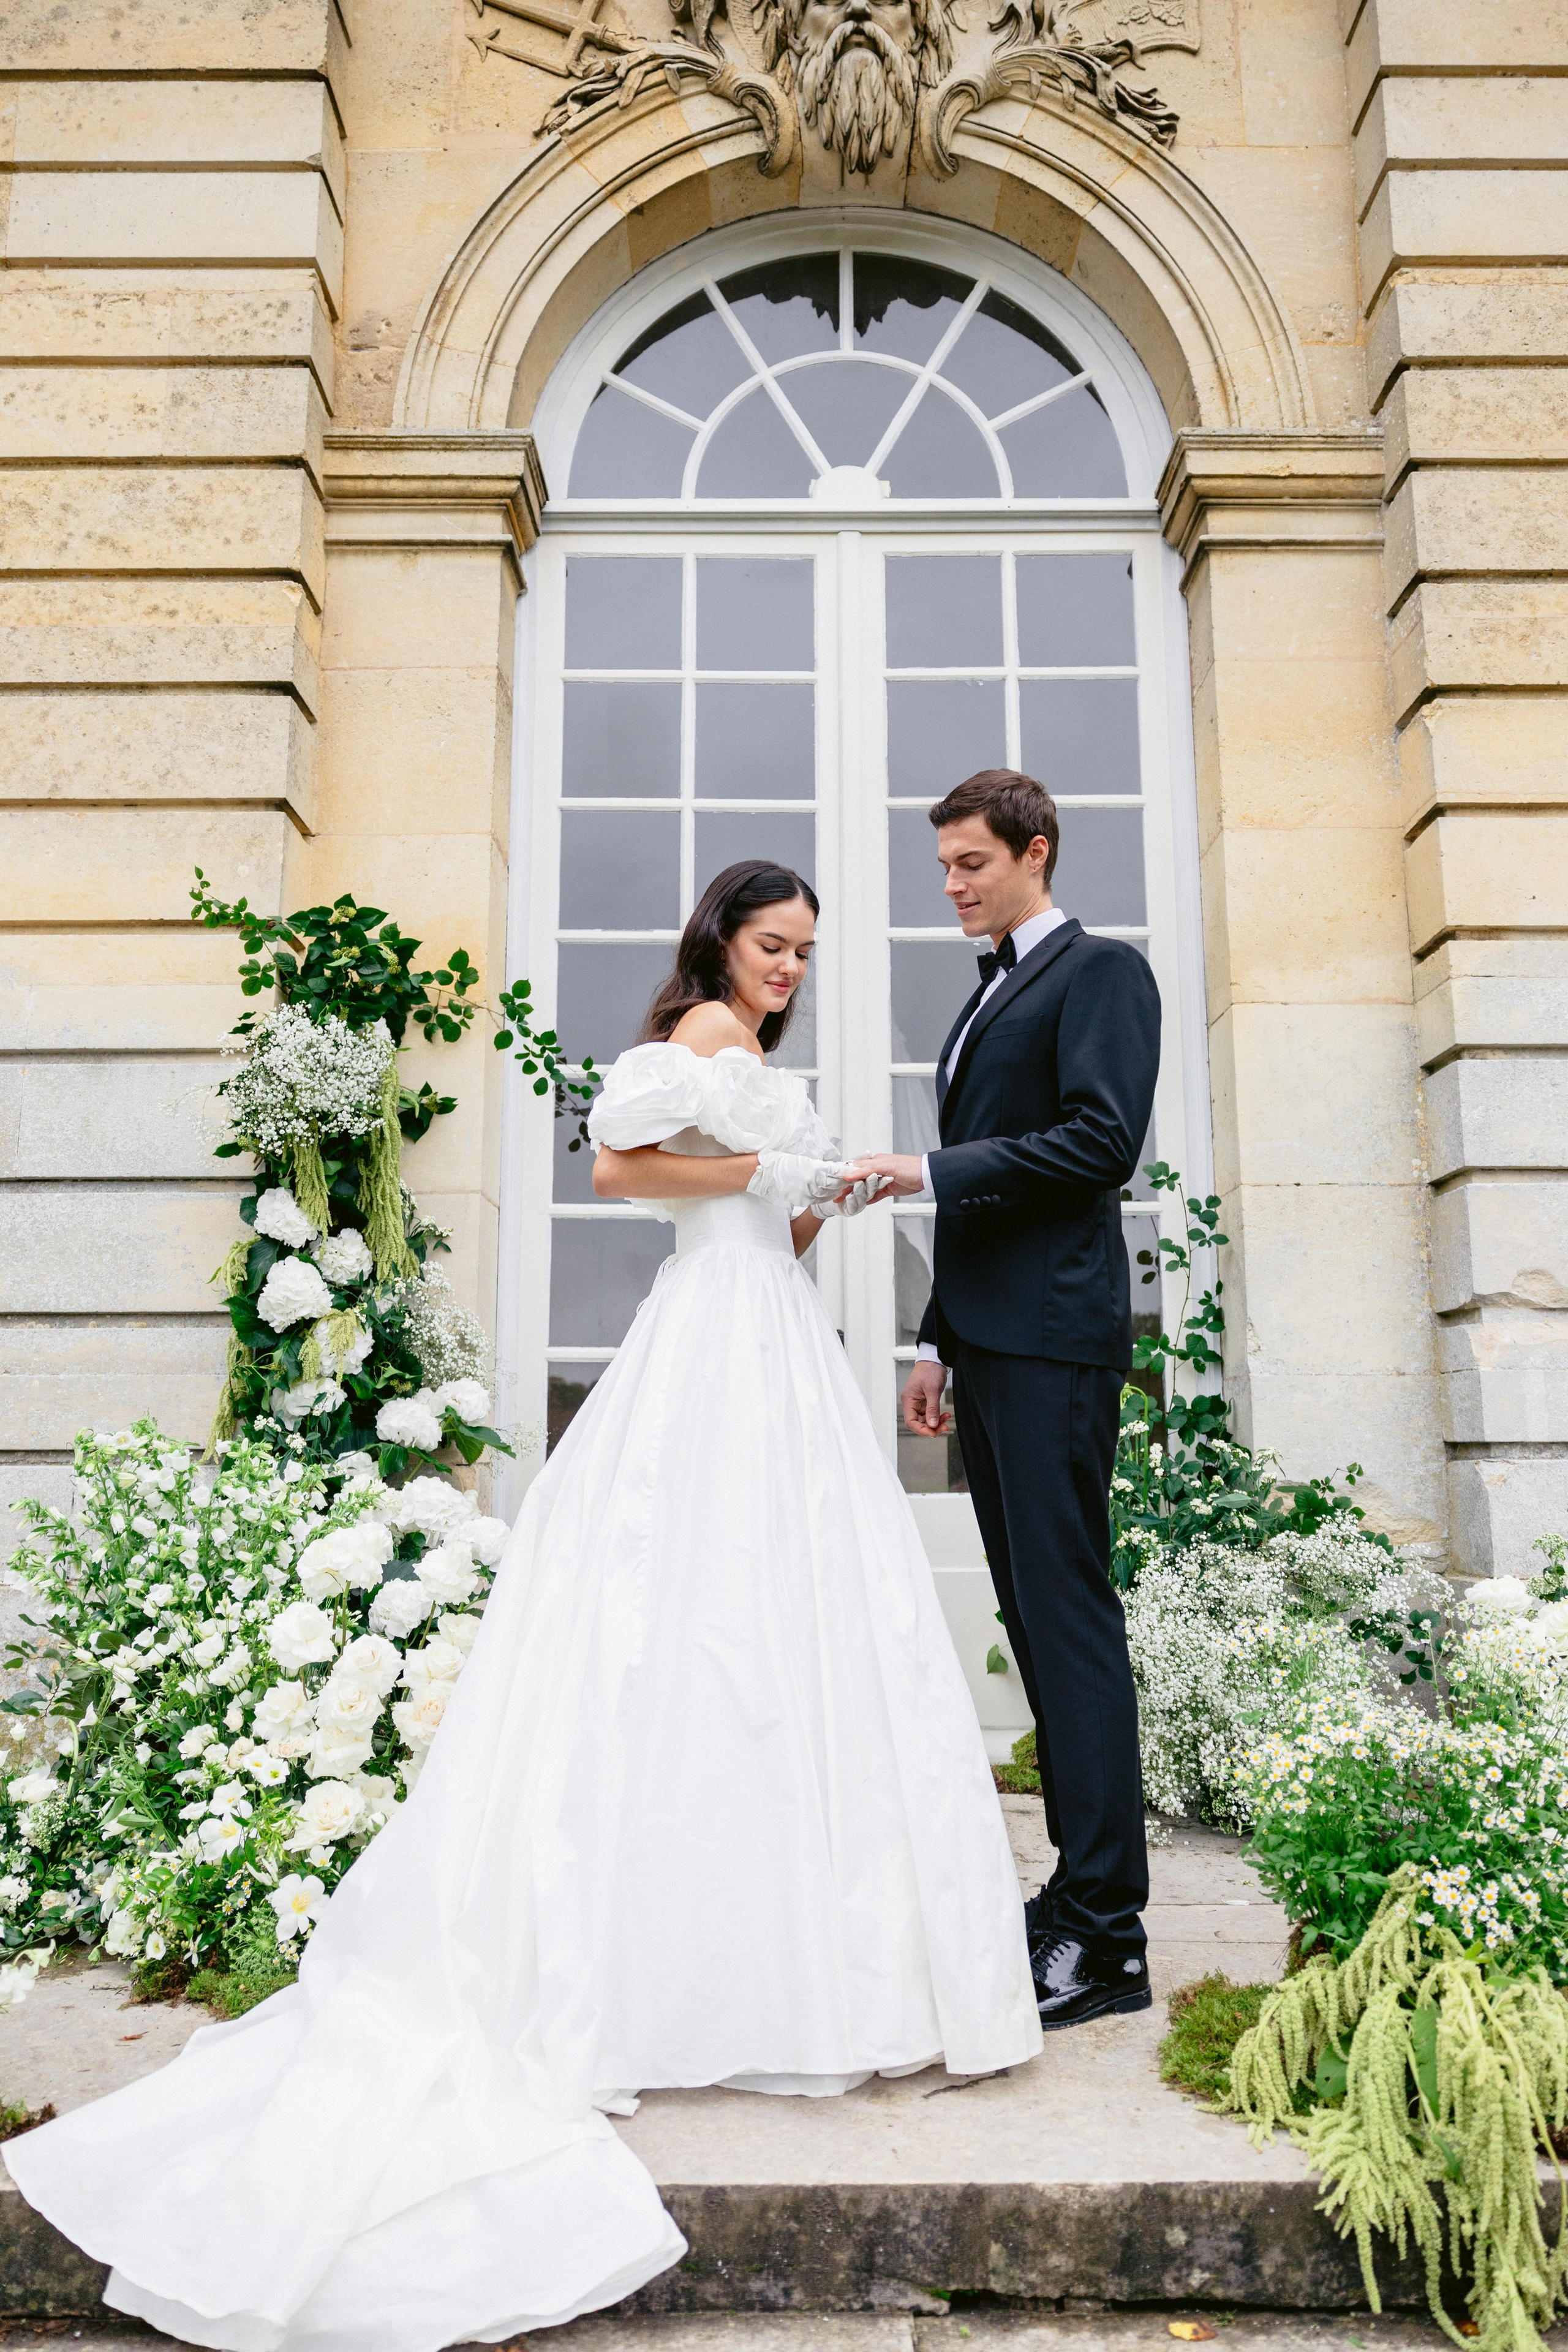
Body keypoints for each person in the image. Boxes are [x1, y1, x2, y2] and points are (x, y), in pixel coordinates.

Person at [5, 859, 1040, 2352]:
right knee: (687, 1630)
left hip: (772, 1334)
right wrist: (762, 1176)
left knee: (791, 1639)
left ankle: (788, 1964)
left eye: (803, 954)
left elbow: (770, 1227)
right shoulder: (693, 1036)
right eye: (770, 947)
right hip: (708, 1341)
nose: (786, 972)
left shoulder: (750, 1055)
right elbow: (622, 1179)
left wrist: (817, 1196)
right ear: (719, 943)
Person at [849, 772, 1162, 2030]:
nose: (950, 885)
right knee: (1033, 1624)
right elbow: (993, 1199)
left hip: (1053, 1345)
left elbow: (1099, 1145)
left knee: (1068, 1621)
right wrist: (936, 1340)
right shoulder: (987, 993)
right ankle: (1079, 1893)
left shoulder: (1100, 974)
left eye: (969, 862)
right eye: (940, 866)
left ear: (1035, 850)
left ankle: (1107, 1938)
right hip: (991, 1344)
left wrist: (926, 1165)